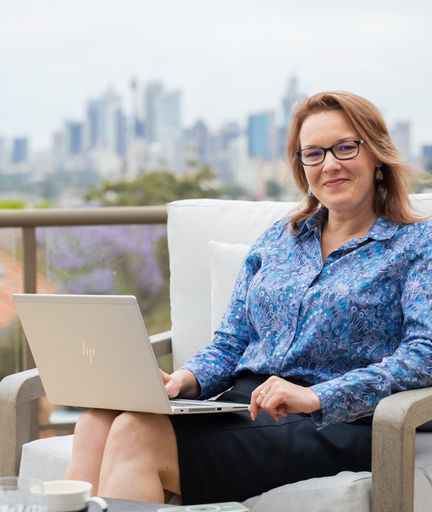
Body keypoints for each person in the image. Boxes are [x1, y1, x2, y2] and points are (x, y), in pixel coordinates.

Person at [65, 91, 432, 504]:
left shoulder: (416, 242)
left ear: (376, 154)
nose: (330, 164)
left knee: (137, 433)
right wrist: (184, 381)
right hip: (245, 405)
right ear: (301, 165)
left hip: (336, 420)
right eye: (313, 153)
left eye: (346, 147)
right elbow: (231, 341)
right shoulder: (280, 238)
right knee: (96, 422)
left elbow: (424, 355)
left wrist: (316, 397)